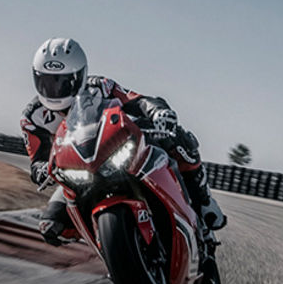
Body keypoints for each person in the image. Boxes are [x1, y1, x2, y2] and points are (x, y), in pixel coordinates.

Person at [21, 37, 225, 245]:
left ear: (80, 76)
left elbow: (135, 99)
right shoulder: (32, 117)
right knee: (50, 226)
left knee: (178, 139)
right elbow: (37, 159)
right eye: (47, 82)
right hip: (79, 173)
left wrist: (156, 111)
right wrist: (41, 170)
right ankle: (107, 244)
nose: (54, 90)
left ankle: (204, 203)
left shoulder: (99, 86)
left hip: (114, 149)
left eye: (63, 82)